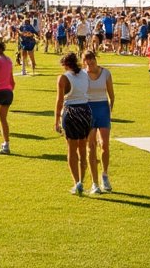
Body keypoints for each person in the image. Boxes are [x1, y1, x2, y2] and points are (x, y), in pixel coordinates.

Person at [54, 52, 92, 195]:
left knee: (71, 149)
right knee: (82, 148)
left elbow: (59, 101)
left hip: (71, 112)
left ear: (65, 64)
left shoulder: (63, 78)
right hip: (85, 111)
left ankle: (77, 183)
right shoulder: (84, 73)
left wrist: (56, 120)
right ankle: (81, 180)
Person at [83, 49, 114, 193]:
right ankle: (94, 183)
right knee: (91, 145)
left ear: (95, 60)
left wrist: (109, 110)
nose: (89, 65)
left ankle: (105, 175)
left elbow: (111, 95)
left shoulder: (106, 73)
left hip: (103, 108)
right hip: (88, 108)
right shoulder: (82, 75)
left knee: (105, 144)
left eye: (91, 61)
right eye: (87, 62)